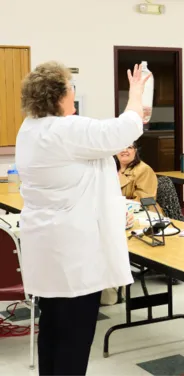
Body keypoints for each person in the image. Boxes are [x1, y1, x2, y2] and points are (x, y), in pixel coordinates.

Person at [15, 61, 150, 375]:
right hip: (74, 254)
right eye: (71, 88)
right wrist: (136, 93)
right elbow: (122, 132)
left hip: (46, 250)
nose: (74, 94)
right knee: (74, 339)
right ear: (57, 95)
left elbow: (103, 138)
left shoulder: (29, 129)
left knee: (51, 330)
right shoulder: (65, 130)